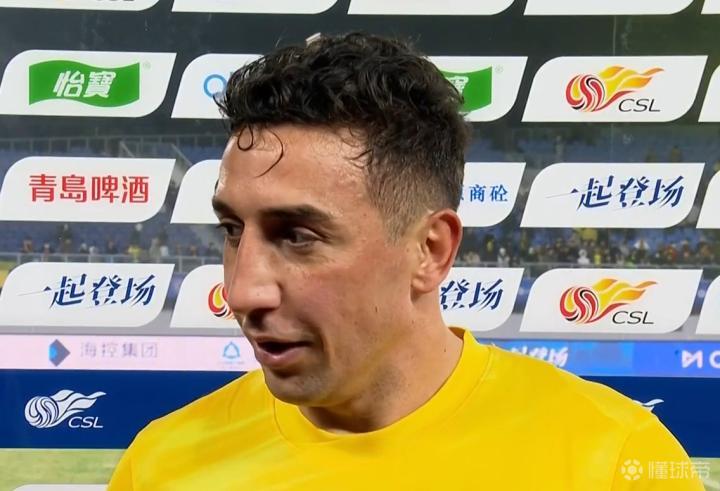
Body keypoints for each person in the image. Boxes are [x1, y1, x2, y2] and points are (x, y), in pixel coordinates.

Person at [108, 32, 702, 490]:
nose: (242, 292)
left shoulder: (611, 458)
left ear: (431, 251)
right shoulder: (163, 463)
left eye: (298, 236)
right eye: (233, 230)